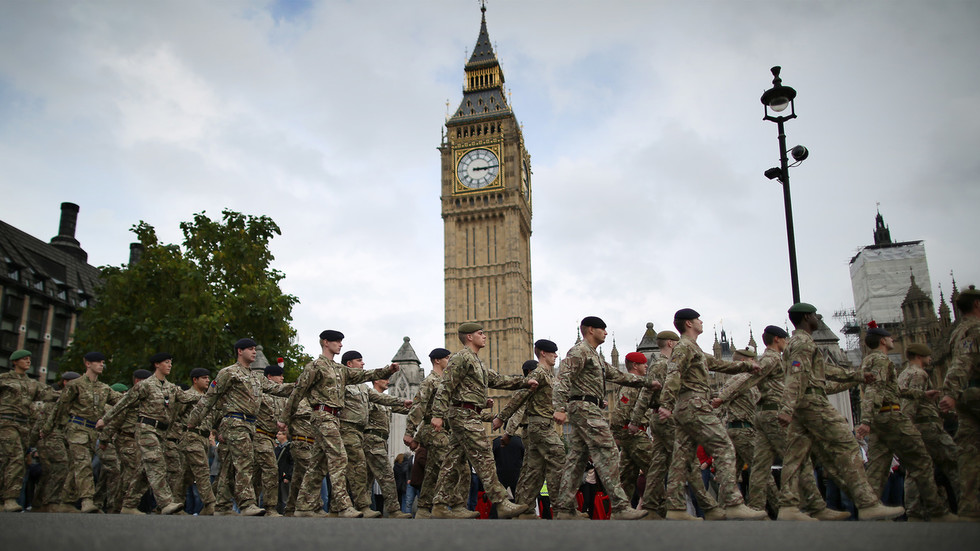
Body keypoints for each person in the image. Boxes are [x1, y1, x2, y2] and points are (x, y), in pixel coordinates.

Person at [776, 302, 904, 521]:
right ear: (808, 317)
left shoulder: (799, 343)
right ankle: (867, 503)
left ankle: (789, 505)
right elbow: (796, 375)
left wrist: (856, 376)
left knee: (795, 455)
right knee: (847, 444)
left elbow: (823, 369)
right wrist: (786, 407)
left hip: (803, 404)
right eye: (815, 315)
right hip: (812, 401)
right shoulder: (802, 343)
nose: (818, 318)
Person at [714, 325, 848, 520]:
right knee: (796, 459)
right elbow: (747, 380)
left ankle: (756, 510)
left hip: (756, 421)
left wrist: (855, 379)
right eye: (751, 359)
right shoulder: (769, 361)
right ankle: (808, 506)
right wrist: (722, 398)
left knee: (758, 469)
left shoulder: (774, 363)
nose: (754, 362)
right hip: (769, 417)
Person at [658, 309, 766, 521]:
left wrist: (746, 365)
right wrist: (666, 403)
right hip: (694, 404)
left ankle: (676, 508)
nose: (701, 321)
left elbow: (718, 364)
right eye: (698, 319)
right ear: (689, 323)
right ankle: (734, 503)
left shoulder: (692, 348)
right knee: (724, 446)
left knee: (681, 459)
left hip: (685, 407)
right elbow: (674, 373)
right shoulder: (684, 347)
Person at [281, 330, 398, 518]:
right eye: (337, 341)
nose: (341, 345)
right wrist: (284, 419)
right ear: (325, 342)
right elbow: (298, 393)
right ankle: (343, 506)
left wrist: (387, 371)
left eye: (341, 342)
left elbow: (364, 375)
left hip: (334, 418)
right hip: (322, 415)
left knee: (318, 465)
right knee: (339, 457)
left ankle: (302, 506)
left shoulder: (339, 369)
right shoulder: (315, 366)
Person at [430, 322, 535, 519]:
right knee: (485, 455)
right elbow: (446, 385)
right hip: (463, 415)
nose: (485, 336)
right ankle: (501, 501)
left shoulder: (477, 361)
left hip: (469, 413)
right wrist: (437, 414)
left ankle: (440, 504)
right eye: (480, 333)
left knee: (453, 461)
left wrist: (524, 382)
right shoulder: (461, 357)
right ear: (469, 337)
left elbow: (498, 379)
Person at [856, 323, 960, 522]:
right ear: (882, 341)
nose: (893, 340)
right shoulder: (880, 360)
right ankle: (938, 512)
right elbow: (873, 391)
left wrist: (921, 394)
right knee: (921, 461)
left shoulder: (869, 361)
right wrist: (865, 421)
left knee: (877, 471)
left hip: (880, 420)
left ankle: (869, 512)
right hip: (892, 417)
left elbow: (892, 389)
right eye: (890, 337)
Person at [552, 316, 651, 520]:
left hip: (589, 407)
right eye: (602, 329)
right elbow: (563, 376)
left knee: (576, 460)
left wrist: (646, 383)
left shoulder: (594, 356)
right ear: (590, 330)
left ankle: (564, 509)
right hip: (584, 409)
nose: (606, 332)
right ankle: (620, 507)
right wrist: (559, 407)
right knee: (608, 451)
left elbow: (617, 374)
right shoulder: (579, 351)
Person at [185, 338, 294, 516]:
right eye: (249, 349)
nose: (254, 352)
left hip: (250, 424)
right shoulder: (229, 373)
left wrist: (299, 386)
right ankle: (247, 504)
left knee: (229, 467)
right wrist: (194, 420)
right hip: (235, 422)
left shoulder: (256, 377)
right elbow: (210, 398)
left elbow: (277, 389)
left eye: (254, 349)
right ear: (239, 351)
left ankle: (221, 505)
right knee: (244, 462)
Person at [98, 353, 201, 515]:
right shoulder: (145, 385)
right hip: (146, 429)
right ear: (157, 365)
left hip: (161, 432)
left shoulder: (171, 387)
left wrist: (215, 387)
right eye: (166, 362)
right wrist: (105, 420)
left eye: (170, 363)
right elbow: (124, 403)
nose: (170, 365)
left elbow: (189, 396)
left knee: (144, 471)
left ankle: (128, 505)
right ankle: (166, 503)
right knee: (156, 463)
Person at [493, 339, 568, 520]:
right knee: (559, 458)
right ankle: (563, 510)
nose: (556, 356)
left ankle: (525, 510)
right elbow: (520, 397)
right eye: (553, 353)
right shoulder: (539, 373)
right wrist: (502, 418)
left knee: (533, 470)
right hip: (541, 426)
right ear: (543, 353)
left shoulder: (548, 375)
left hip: (540, 427)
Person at [42, 351, 121, 513]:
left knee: (77, 466)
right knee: (84, 464)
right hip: (76, 429)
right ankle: (87, 500)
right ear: (87, 364)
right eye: (98, 362)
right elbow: (59, 408)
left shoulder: (104, 388)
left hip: (92, 432)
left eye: (102, 362)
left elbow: (121, 402)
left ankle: (65, 501)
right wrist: (47, 428)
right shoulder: (75, 385)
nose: (101, 364)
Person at [336, 350, 412, 518]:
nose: (387, 381)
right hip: (368, 439)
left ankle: (358, 507)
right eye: (359, 360)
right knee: (383, 474)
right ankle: (393, 510)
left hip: (377, 440)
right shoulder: (343, 384)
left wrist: (409, 403)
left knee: (363, 477)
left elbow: (394, 404)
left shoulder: (364, 390)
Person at [403, 347, 470, 518]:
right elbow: (419, 407)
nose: (450, 361)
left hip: (445, 430)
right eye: (447, 358)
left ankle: (424, 508)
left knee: (432, 472)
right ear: (437, 361)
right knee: (449, 465)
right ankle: (457, 506)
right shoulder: (430, 381)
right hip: (433, 430)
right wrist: (410, 432)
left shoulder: (447, 382)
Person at [899, 343, 959, 520]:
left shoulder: (903, 374)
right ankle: (969, 505)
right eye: (928, 355)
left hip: (917, 426)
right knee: (955, 460)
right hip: (927, 428)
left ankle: (914, 512)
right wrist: (908, 428)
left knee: (917, 470)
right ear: (919, 356)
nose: (930, 358)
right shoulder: (919, 374)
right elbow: (912, 404)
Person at [940, 285, 980, 521]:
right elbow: (964, 362)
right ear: (977, 305)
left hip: (966, 396)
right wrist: (951, 392)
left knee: (969, 455)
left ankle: (970, 512)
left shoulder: (957, 332)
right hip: (973, 392)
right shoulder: (973, 330)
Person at [0, 349, 58, 512]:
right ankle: (10, 499)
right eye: (24, 359)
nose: (28, 361)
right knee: (15, 458)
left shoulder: (33, 383)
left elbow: (51, 394)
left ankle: (3, 500)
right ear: (14, 362)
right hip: (6, 423)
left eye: (29, 359)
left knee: (10, 461)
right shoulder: (4, 379)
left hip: (24, 426)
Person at [30, 371, 80, 513]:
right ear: (65, 382)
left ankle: (39, 504)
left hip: (60, 438)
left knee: (48, 471)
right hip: (49, 437)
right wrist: (32, 442)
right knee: (60, 466)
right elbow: (42, 422)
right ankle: (51, 502)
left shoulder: (73, 400)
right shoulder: (55, 400)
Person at [363, 376, 413, 518]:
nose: (388, 381)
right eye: (384, 379)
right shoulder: (370, 397)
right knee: (386, 474)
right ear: (376, 381)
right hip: (372, 440)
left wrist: (418, 407)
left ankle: (363, 507)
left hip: (381, 441)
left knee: (367, 477)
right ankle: (394, 510)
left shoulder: (384, 401)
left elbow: (403, 408)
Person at [610, 351, 656, 503]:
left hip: (629, 437)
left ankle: (621, 510)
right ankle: (658, 509)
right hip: (635, 435)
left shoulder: (637, 384)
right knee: (655, 470)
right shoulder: (632, 385)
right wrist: (617, 433)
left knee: (627, 478)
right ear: (635, 366)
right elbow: (620, 412)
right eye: (643, 363)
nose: (646, 366)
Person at [173, 368, 215, 515]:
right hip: (191, 437)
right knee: (202, 469)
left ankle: (175, 505)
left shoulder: (207, 398)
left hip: (203, 439)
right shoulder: (187, 396)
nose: (207, 381)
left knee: (185, 475)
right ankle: (210, 504)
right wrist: (178, 434)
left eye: (208, 378)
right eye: (204, 378)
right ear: (195, 380)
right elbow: (175, 415)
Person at [253, 363, 288, 516]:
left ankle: (251, 505)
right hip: (259, 435)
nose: (282, 378)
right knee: (270, 470)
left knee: (257, 474)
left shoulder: (281, 398)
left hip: (270, 438)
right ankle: (269, 507)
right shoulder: (260, 393)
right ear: (269, 377)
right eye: (279, 375)